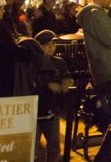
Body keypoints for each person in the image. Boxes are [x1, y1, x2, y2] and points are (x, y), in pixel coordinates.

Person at [16, 30, 73, 162]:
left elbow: (67, 78)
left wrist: (65, 85)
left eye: (53, 43)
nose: (51, 47)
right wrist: (46, 84)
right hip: (34, 114)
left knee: (54, 148)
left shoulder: (58, 62)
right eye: (47, 44)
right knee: (32, 149)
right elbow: (27, 85)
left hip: (52, 112)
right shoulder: (30, 63)